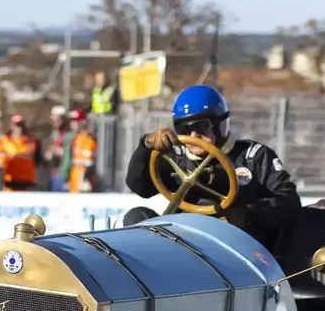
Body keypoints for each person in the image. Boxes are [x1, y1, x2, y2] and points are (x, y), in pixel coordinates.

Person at [123, 84, 302, 253]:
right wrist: (145, 147)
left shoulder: (254, 156)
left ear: (220, 124)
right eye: (184, 128)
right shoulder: (175, 157)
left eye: (202, 126)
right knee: (136, 217)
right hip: (182, 239)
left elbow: (290, 202)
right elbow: (140, 187)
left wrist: (249, 213)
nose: (194, 135)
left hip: (235, 244)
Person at [0, 114, 41, 191]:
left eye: (21, 125)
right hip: (10, 181)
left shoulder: (32, 141)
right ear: (11, 125)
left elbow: (38, 159)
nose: (19, 128)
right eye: (16, 125)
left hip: (27, 181)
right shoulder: (5, 140)